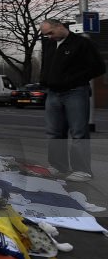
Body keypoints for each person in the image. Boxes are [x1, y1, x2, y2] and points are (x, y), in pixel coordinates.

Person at [39, 18, 106, 181]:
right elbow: (46, 66)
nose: (49, 37)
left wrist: (74, 79)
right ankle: (57, 166)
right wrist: (45, 82)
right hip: (53, 94)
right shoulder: (49, 44)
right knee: (54, 133)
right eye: (46, 34)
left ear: (60, 27)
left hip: (75, 92)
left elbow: (99, 67)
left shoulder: (81, 44)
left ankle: (82, 170)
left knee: (79, 132)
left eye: (51, 33)